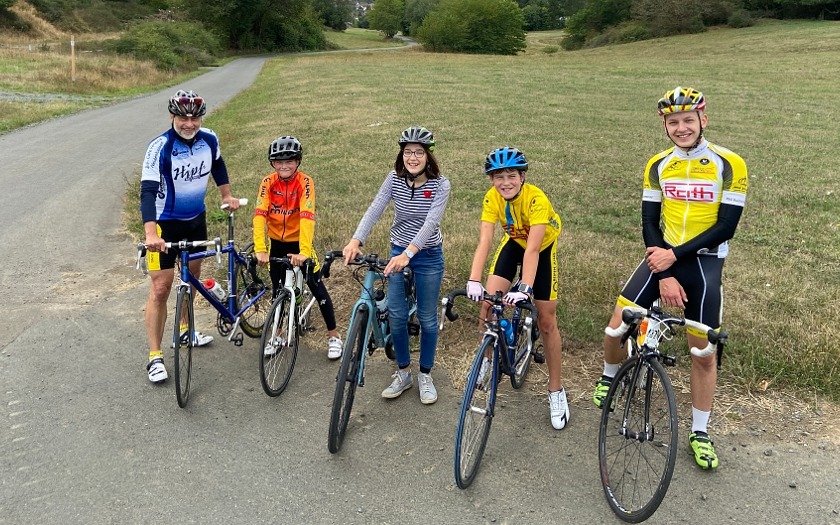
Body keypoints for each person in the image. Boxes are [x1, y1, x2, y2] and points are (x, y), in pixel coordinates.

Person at [593, 87, 748, 469]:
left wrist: (673, 259)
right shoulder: (658, 164)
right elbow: (649, 220)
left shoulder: (730, 164)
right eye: (673, 122)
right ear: (665, 125)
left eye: (688, 120)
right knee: (615, 329)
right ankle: (611, 375)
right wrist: (662, 267)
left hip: (704, 263)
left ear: (703, 121)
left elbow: (726, 226)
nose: (681, 128)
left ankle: (699, 432)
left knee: (702, 352)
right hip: (661, 254)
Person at [342, 125, 451, 405]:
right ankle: (403, 372)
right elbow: (375, 208)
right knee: (397, 316)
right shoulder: (394, 179)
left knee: (427, 319)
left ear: (428, 156)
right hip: (398, 252)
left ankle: (425, 374)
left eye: (418, 153)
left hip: (427, 255)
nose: (412, 158)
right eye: (407, 152)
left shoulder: (441, 185)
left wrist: (409, 254)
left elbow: (431, 224)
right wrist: (356, 240)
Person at [140, 89, 241, 383]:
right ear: (172, 116)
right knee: (161, 288)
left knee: (192, 277)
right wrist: (150, 232)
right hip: (163, 226)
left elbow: (218, 164)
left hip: (196, 221)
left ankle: (185, 331)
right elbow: (147, 192)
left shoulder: (209, 138)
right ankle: (155, 357)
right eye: (183, 116)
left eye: (195, 117)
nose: (189, 122)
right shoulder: (159, 147)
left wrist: (226, 195)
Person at [466, 146, 569, 430]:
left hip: (541, 249)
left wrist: (524, 287)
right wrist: (474, 279)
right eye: (498, 177)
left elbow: (534, 249)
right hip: (513, 244)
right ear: (491, 180)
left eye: (511, 175)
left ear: (522, 176)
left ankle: (556, 390)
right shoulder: (492, 198)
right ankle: (487, 361)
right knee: (487, 305)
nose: (505, 182)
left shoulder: (537, 199)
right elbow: (485, 241)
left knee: (547, 321)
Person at [252, 135, 343, 359]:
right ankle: (278, 334)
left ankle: (334, 335)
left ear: (298, 161)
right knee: (277, 290)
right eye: (279, 161)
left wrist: (304, 252)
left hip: (300, 243)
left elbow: (306, 217)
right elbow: (259, 216)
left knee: (316, 285)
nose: (284, 165)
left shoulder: (305, 182)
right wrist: (260, 248)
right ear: (272, 163)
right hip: (276, 244)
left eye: (289, 160)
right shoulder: (267, 183)